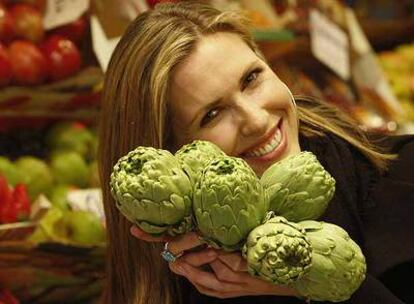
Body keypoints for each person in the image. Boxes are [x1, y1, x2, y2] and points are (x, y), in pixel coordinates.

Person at [98, 1, 414, 303]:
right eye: (212, 114)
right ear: (174, 155)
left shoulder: (402, 173)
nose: (257, 119)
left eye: (251, 79)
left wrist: (309, 285)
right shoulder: (184, 276)